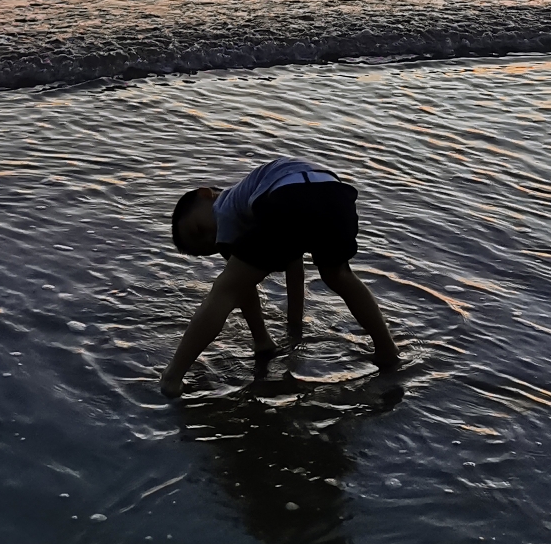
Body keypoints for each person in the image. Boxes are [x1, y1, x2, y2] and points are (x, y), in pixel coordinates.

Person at [159, 157, 400, 397]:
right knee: (338, 274)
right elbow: (295, 269)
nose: (213, 239)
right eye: (208, 247)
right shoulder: (258, 198)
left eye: (199, 230)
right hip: (334, 191)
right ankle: (386, 350)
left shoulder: (224, 206)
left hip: (289, 193)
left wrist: (261, 340)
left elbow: (242, 290)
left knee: (225, 290)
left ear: (206, 193)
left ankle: (173, 376)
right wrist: (294, 325)